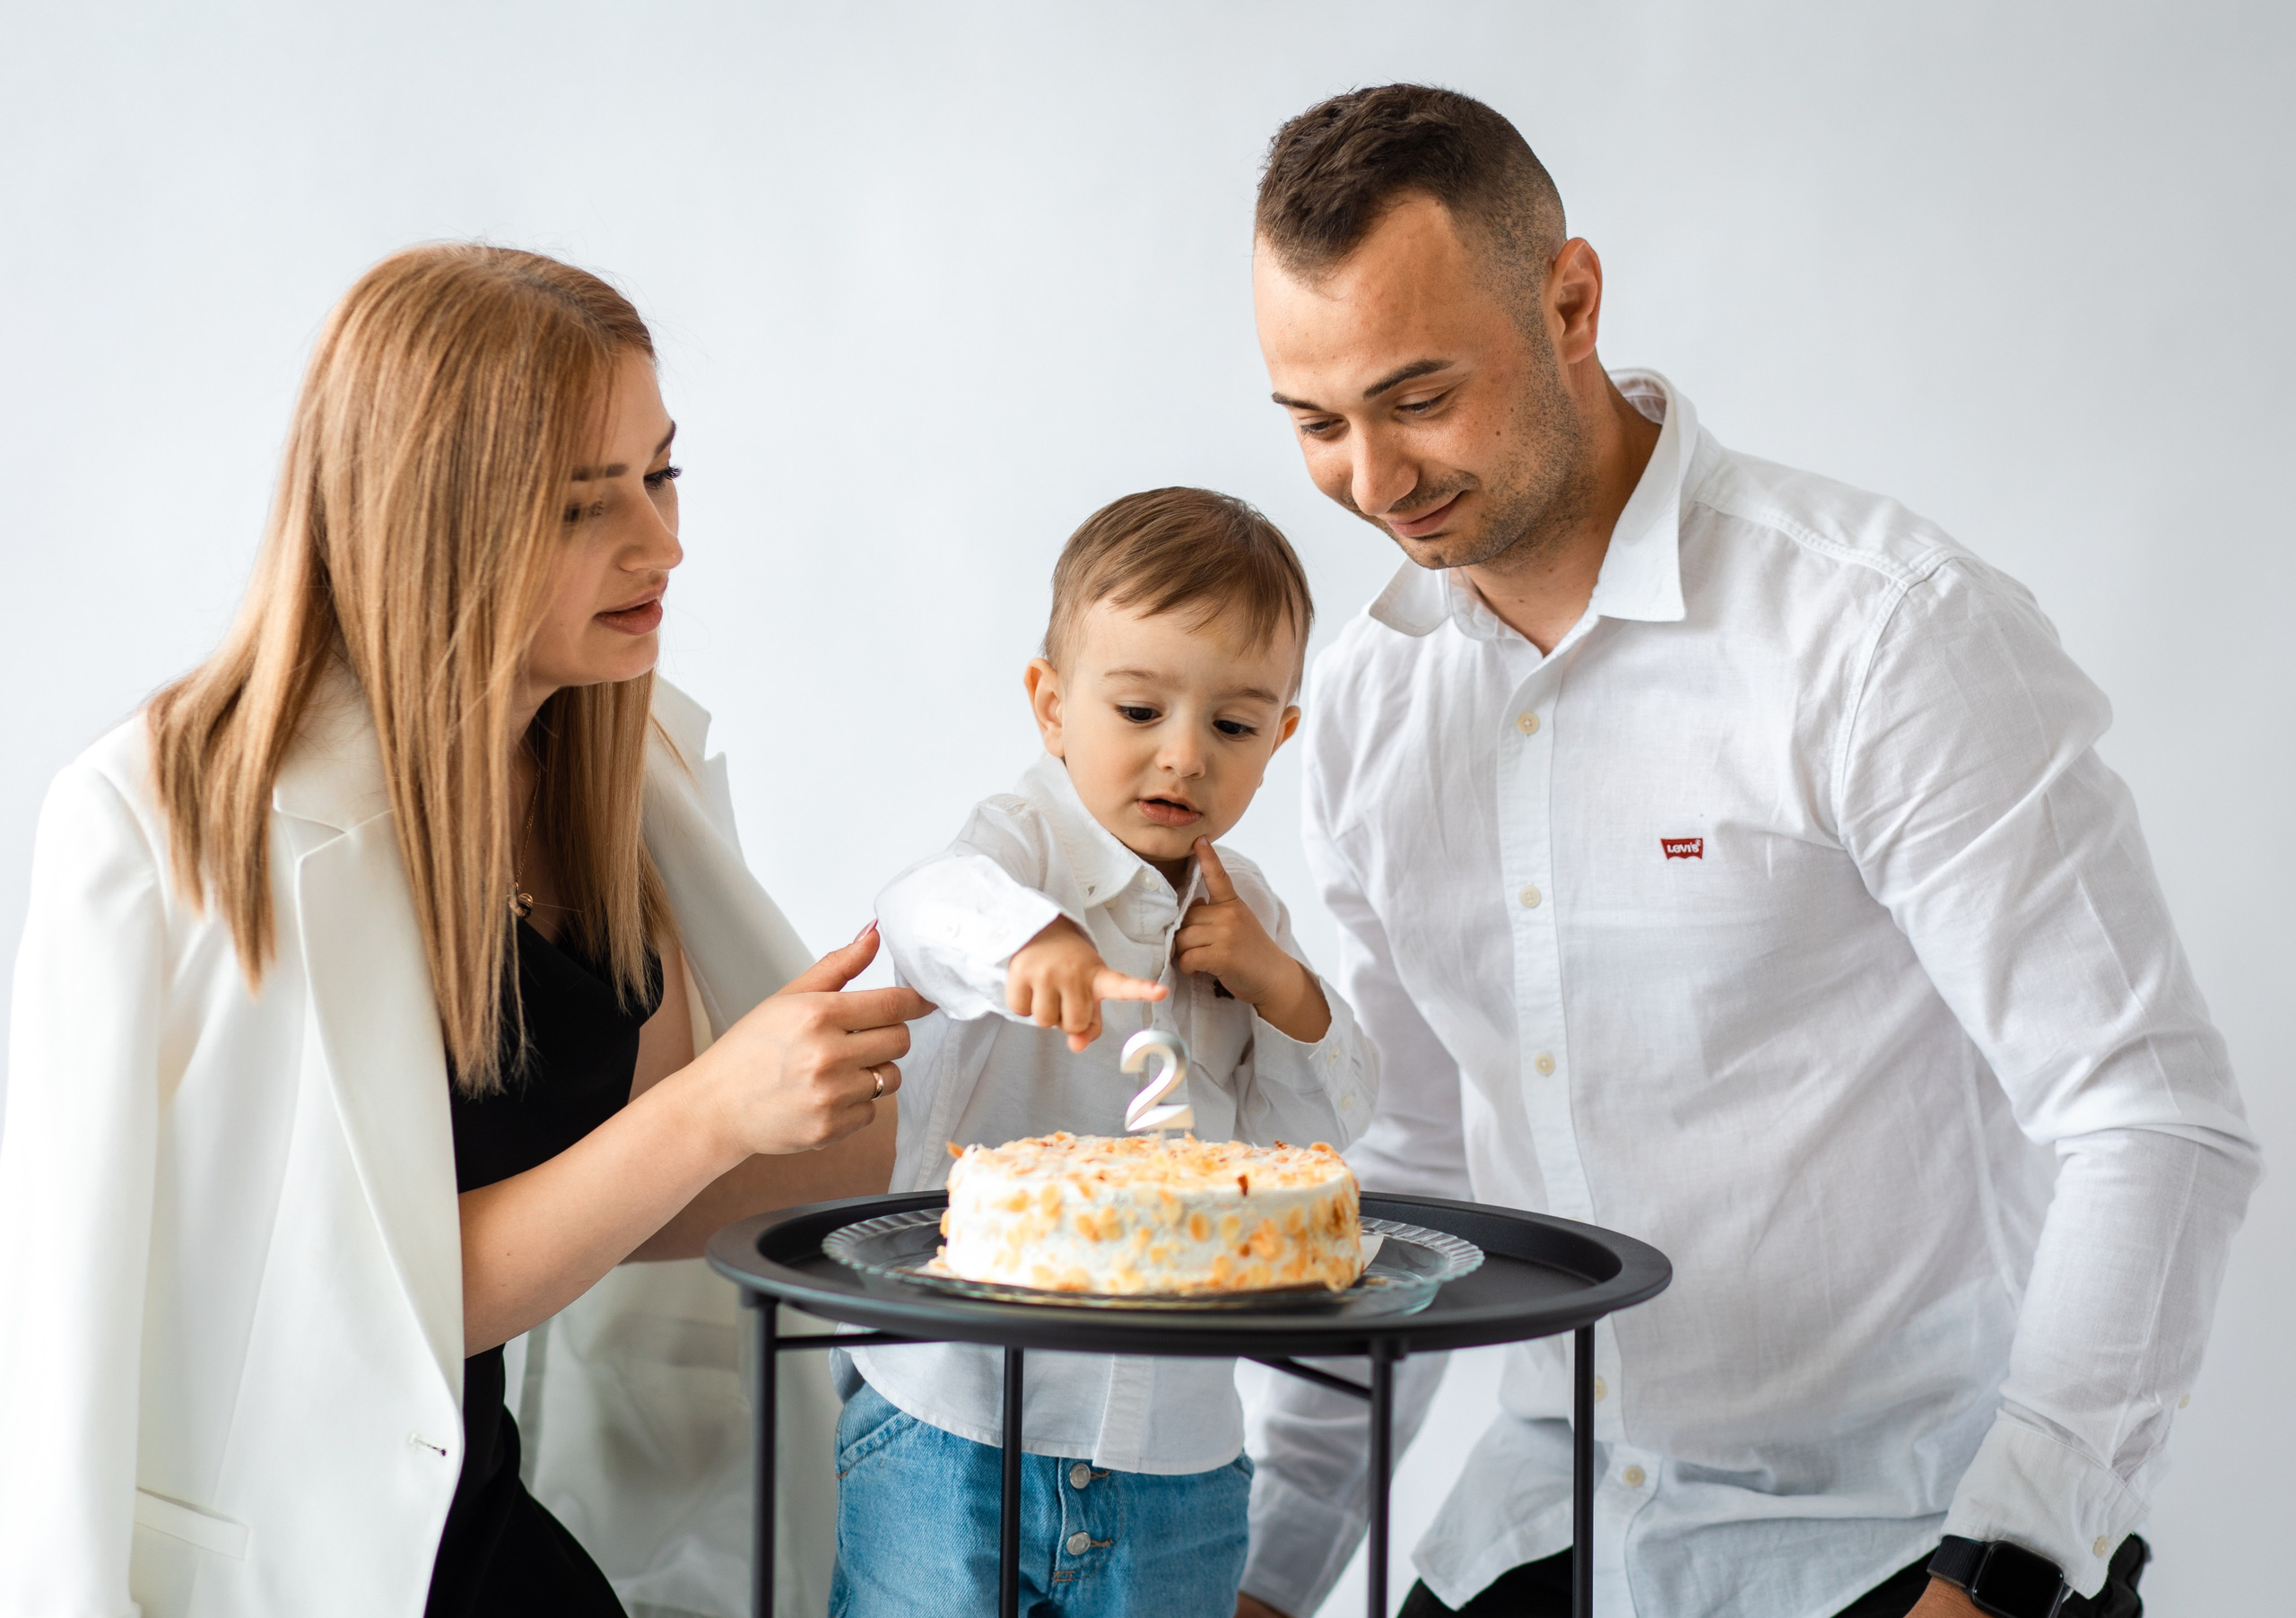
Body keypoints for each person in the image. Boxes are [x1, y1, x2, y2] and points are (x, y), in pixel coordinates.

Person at [1232, 86, 2257, 1618]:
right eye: (1318, 424)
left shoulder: (1882, 632)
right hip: (1546, 1518)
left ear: (1570, 302)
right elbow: (1408, 1165)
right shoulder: (1372, 704)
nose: (1373, 481)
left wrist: (2004, 1565)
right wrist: (1267, 1577)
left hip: (1907, 1532)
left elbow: (2150, 1114)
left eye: (1419, 397)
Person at [0, 245, 931, 1618]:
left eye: (662, 473)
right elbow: (321, 1305)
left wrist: (952, 1103)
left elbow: (679, 1191)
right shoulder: (167, 819)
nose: (662, 544)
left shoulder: (614, 774)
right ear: (431, 517)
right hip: (281, 1570)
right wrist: (716, 1111)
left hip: (489, 1534)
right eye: (583, 504)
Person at [838, 488, 1378, 1617]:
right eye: (1138, 709)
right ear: (1052, 705)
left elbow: (1317, 1137)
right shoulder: (1018, 851)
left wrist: (1281, 989)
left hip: (1176, 1451)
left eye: (1233, 727)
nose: (1183, 757)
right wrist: (1024, 940)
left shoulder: (1246, 912)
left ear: (1280, 739)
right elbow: (919, 910)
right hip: (957, 1419)